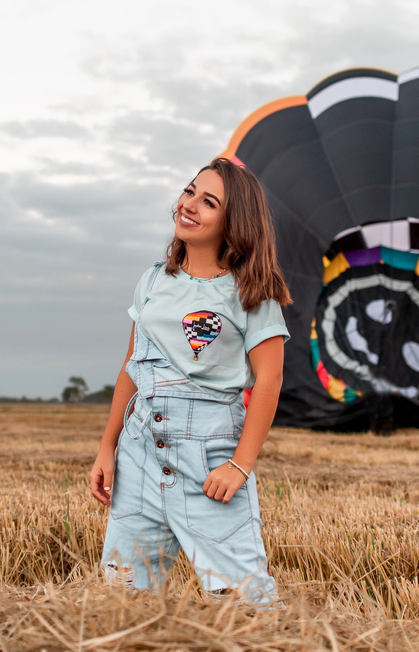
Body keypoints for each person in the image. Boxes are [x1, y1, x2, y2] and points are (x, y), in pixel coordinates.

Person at [88, 157, 292, 604]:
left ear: (234, 221)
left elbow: (270, 381)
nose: (190, 205)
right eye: (189, 191)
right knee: (122, 599)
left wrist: (240, 464)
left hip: (209, 459)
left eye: (209, 201)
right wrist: (109, 445)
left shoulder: (252, 292)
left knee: (244, 601)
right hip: (139, 454)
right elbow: (132, 366)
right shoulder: (153, 281)